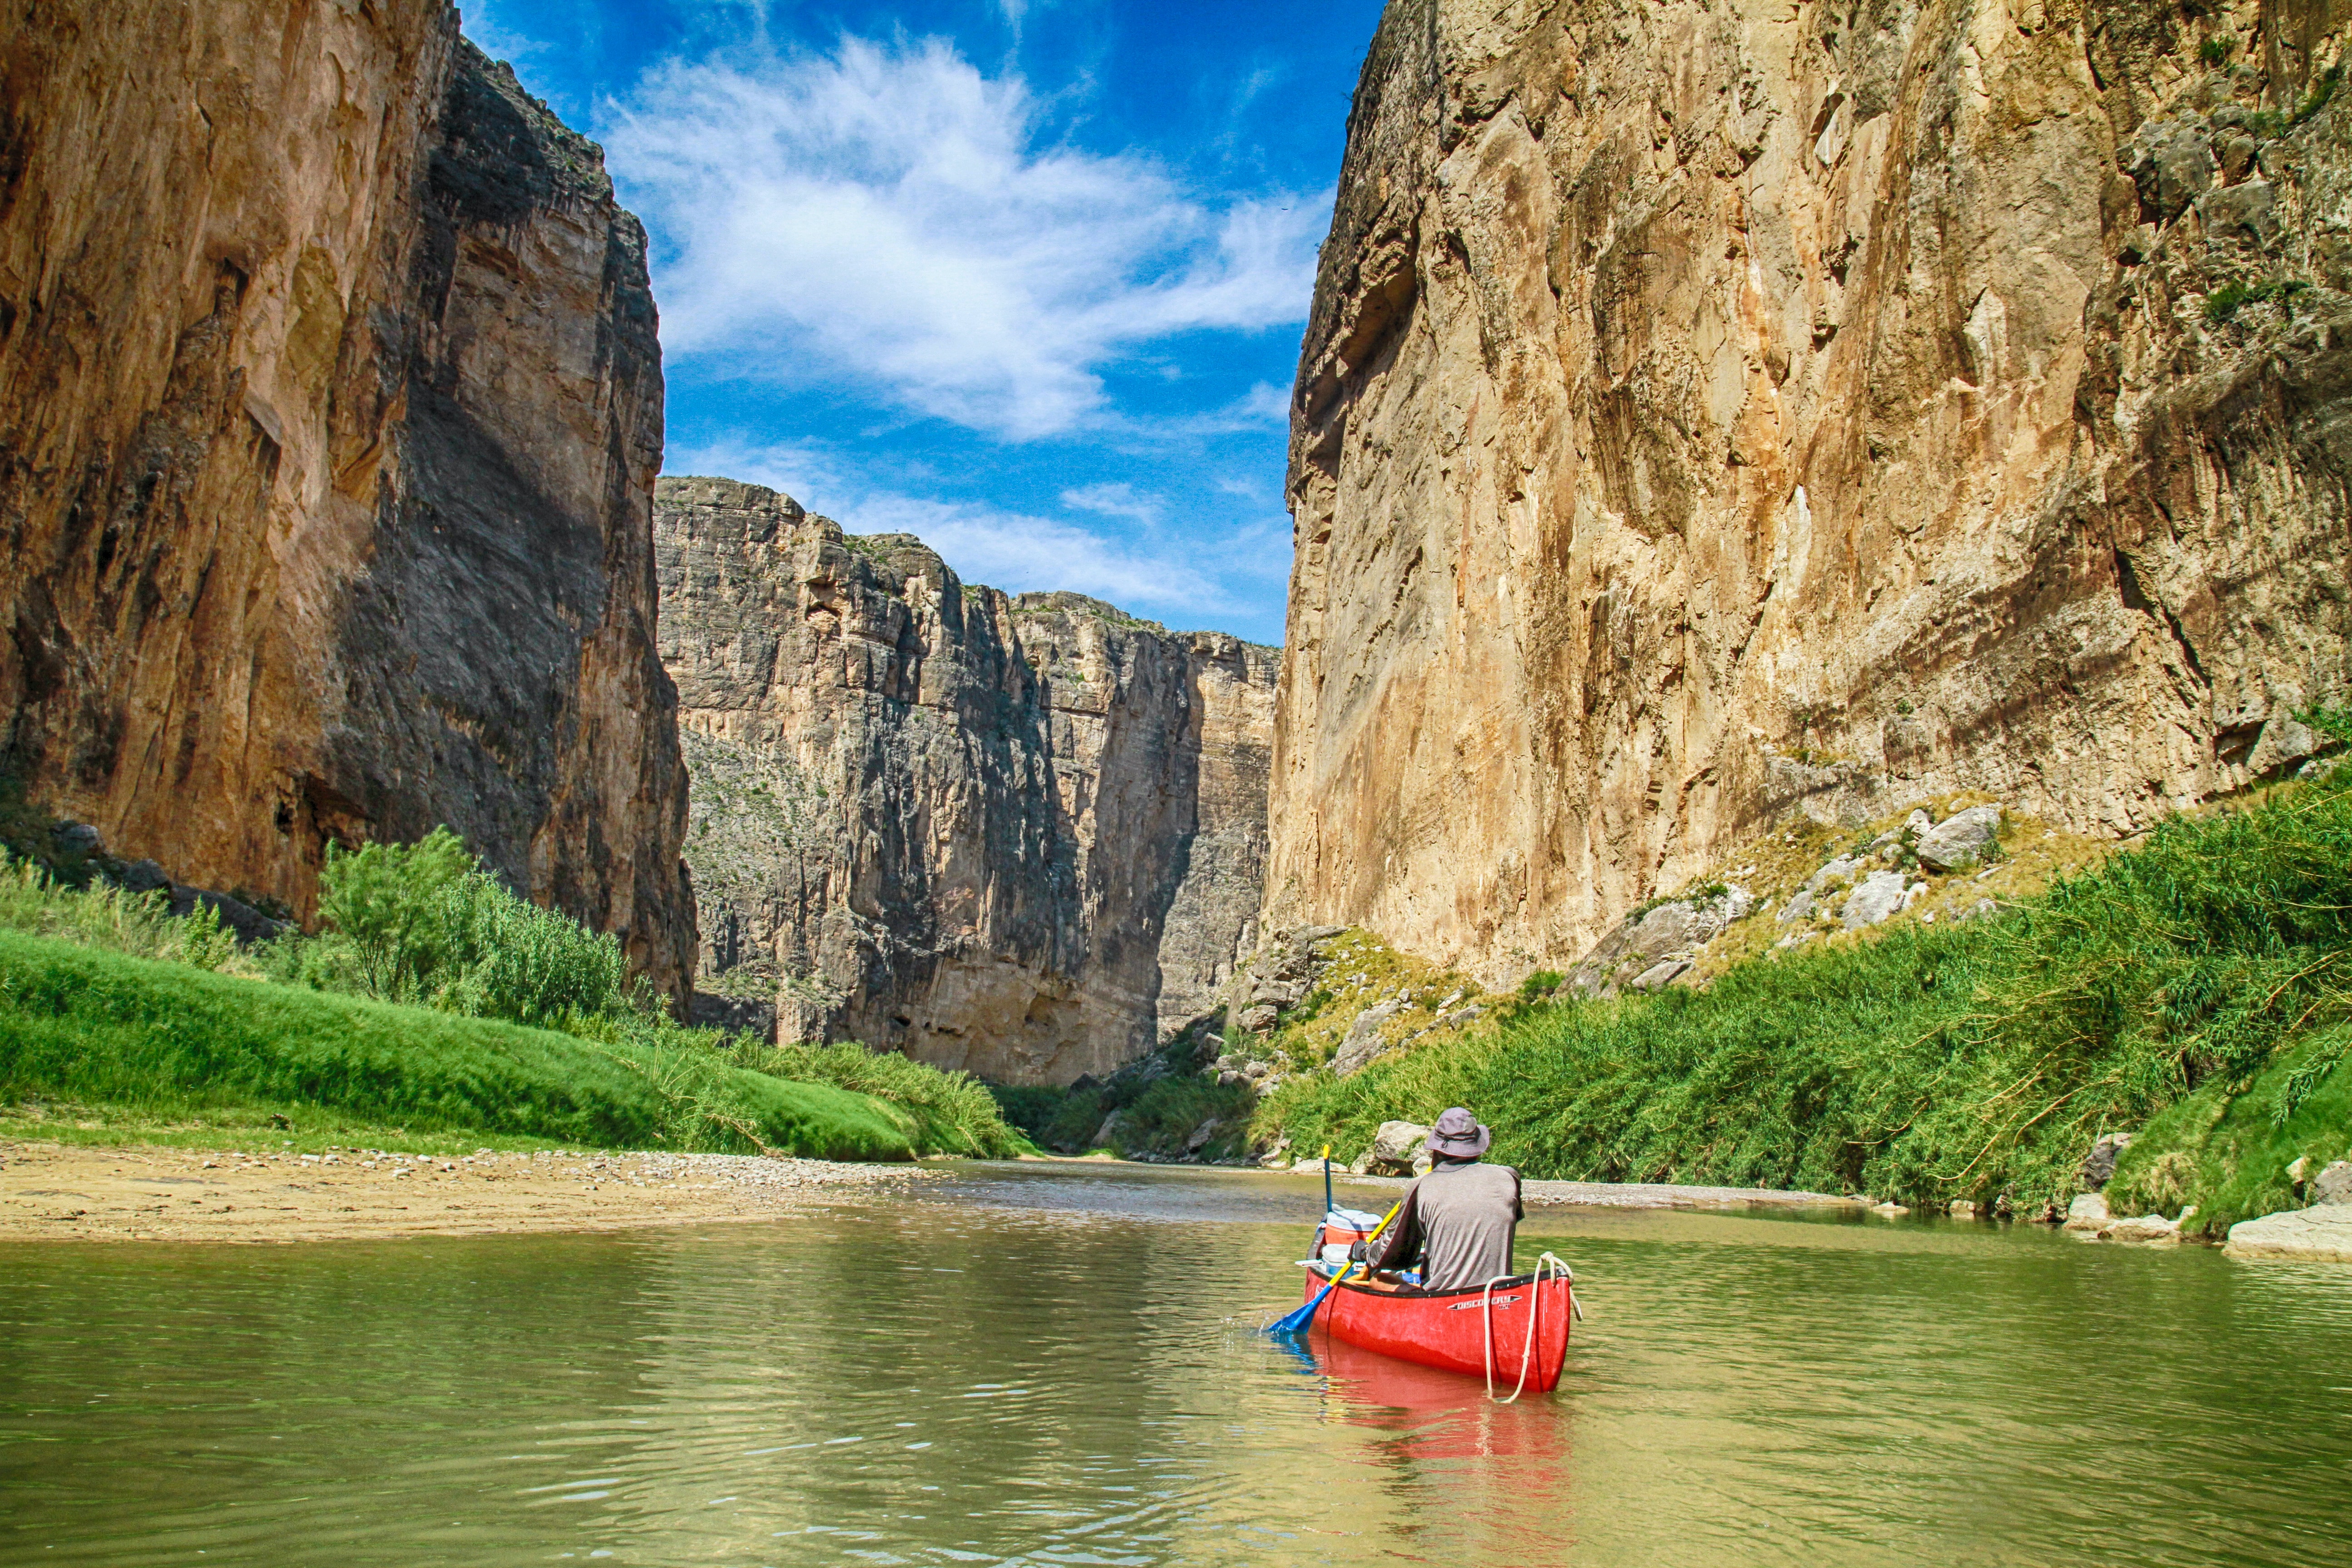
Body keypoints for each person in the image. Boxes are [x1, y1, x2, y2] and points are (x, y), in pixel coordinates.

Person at [1363, 1107, 1524, 1291]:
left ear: (1436, 1150)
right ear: (1476, 1149)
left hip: (1441, 1301)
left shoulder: (1422, 1186)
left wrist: (1365, 1252)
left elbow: (1395, 1258)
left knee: (1380, 1279)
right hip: (1494, 1298)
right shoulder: (1509, 1177)